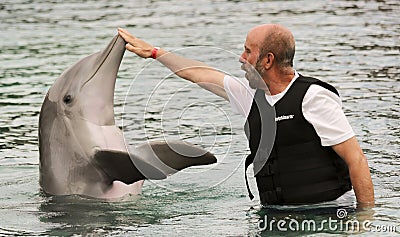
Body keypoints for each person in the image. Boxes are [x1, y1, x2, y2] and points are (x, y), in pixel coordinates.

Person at [117, 24, 374, 207]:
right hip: (274, 216)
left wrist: (365, 221)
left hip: (328, 212)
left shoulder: (313, 97)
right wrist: (154, 52)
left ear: (267, 60)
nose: (241, 59)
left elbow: (356, 160)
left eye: (248, 51)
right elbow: (198, 73)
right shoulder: (250, 96)